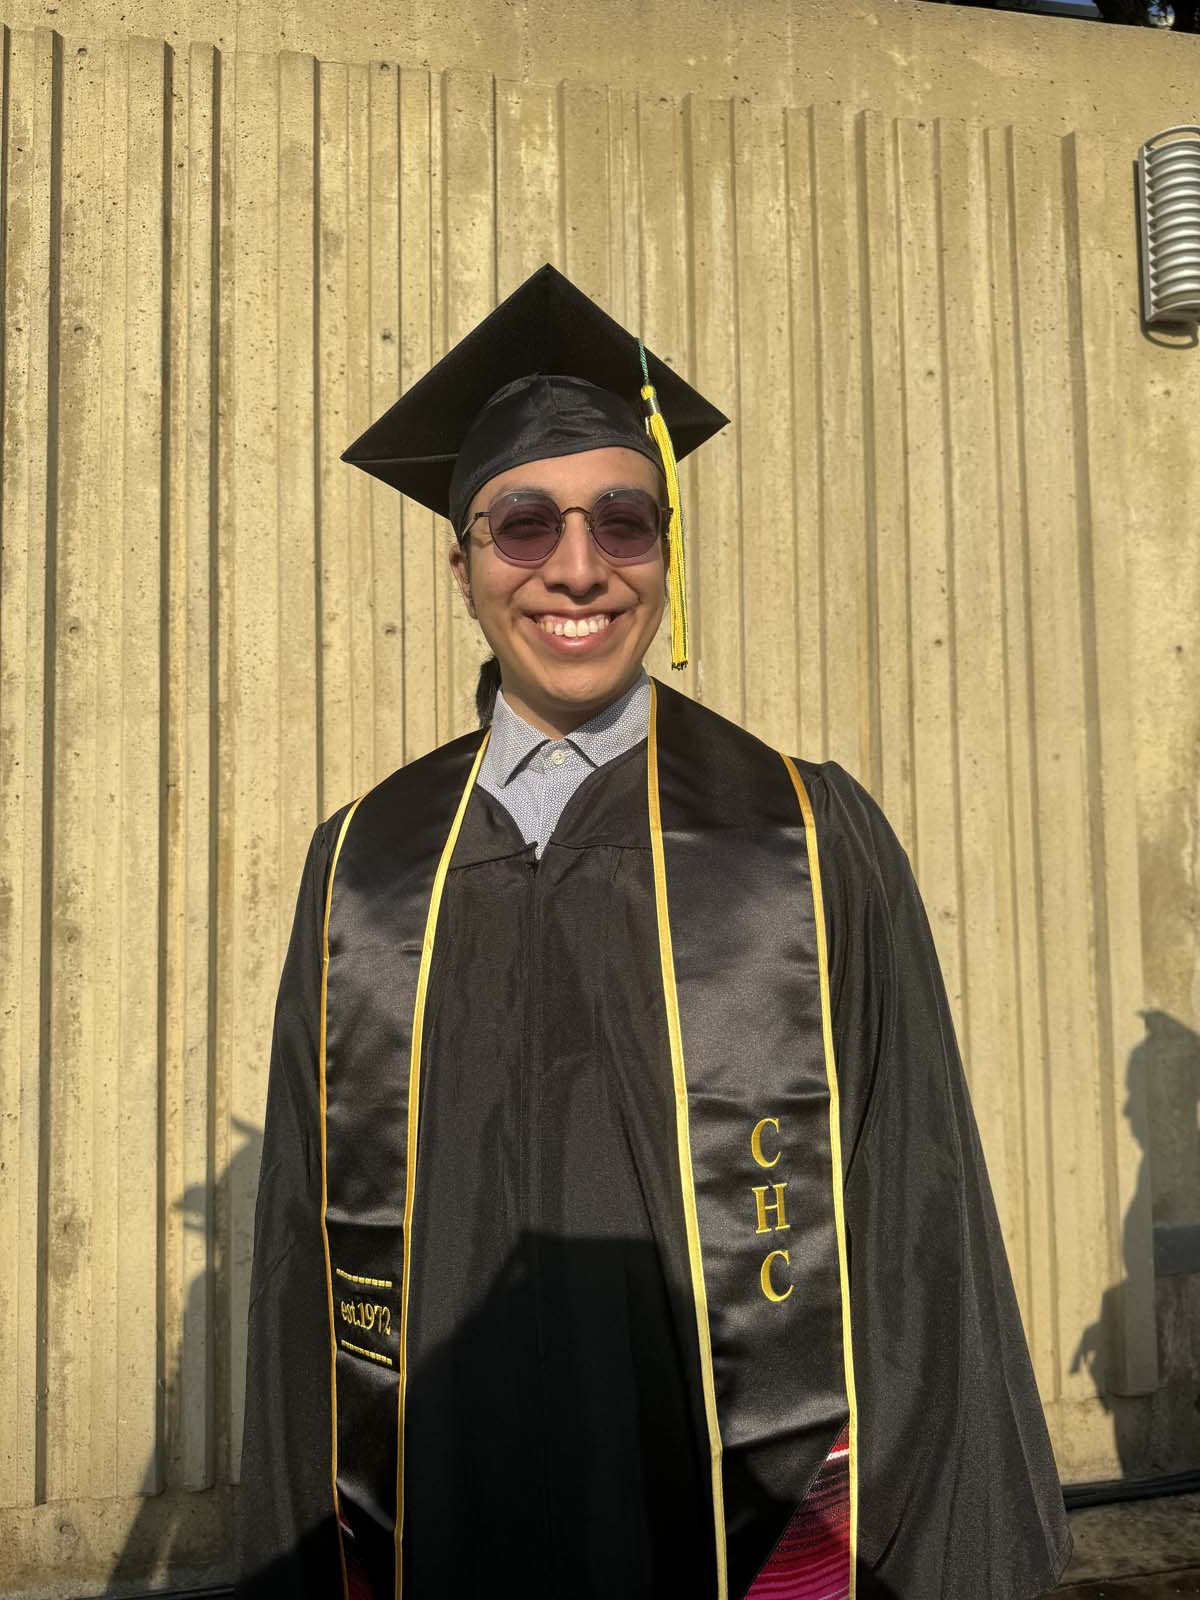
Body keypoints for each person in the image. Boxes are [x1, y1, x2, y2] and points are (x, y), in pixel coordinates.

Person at [237, 264, 1072, 1599]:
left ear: (667, 553)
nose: (578, 566)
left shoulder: (805, 838)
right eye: (523, 525)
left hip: (737, 1541)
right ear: (459, 566)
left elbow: (925, 1234)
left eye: (624, 521)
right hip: (444, 1528)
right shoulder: (366, 869)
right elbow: (299, 1268)